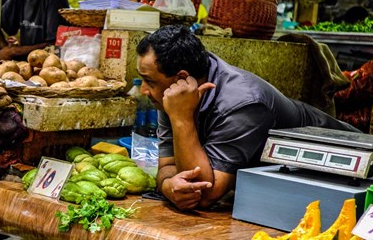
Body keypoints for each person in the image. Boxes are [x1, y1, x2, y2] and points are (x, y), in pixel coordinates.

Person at [136, 26, 359, 211]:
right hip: (275, 188)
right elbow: (167, 166)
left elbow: (204, 195)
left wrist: (182, 119)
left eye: (150, 81)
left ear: (182, 77)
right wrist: (168, 186)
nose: (143, 90)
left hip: (349, 164)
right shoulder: (173, 94)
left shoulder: (242, 103)